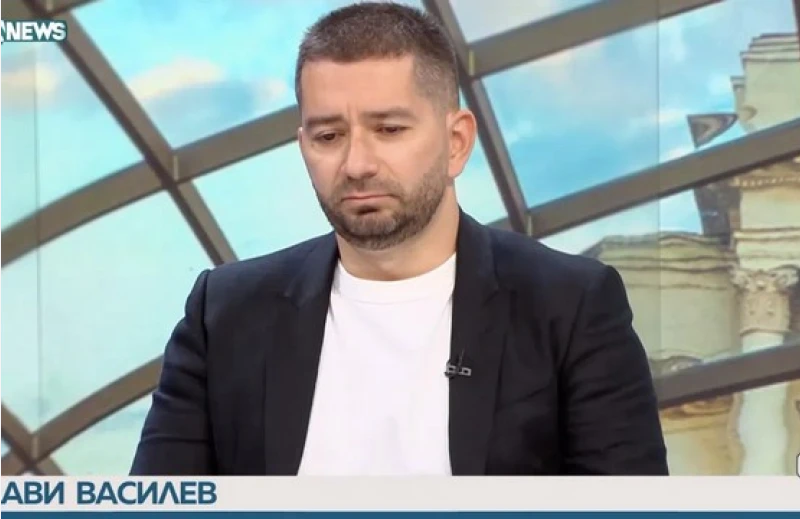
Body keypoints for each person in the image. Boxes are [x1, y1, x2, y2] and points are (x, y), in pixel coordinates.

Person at [130, 2, 668, 476]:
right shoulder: (224, 316)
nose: (356, 164)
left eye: (389, 129)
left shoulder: (570, 308)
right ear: (303, 146)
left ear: (456, 142)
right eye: (328, 136)